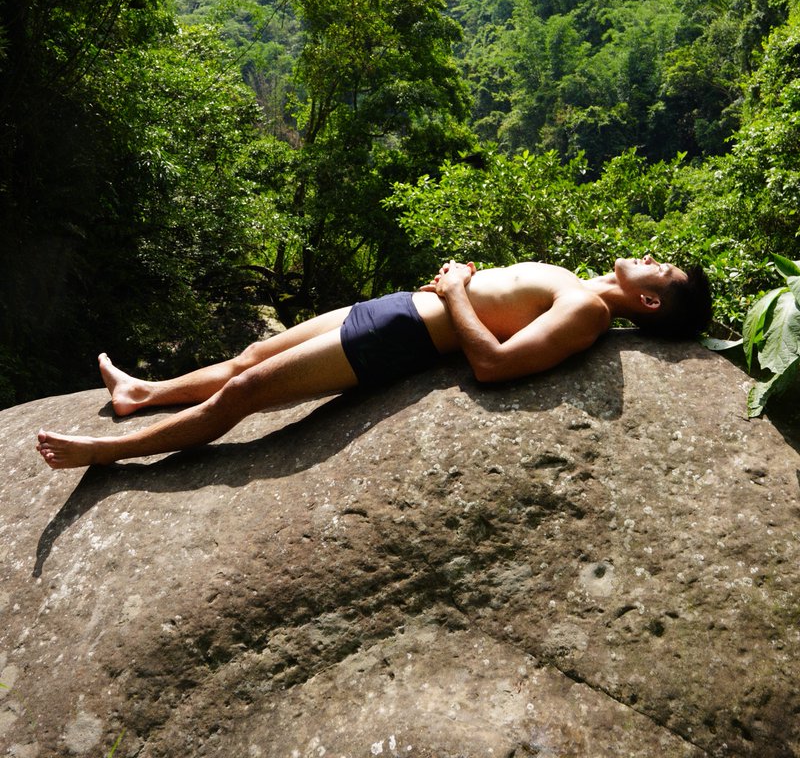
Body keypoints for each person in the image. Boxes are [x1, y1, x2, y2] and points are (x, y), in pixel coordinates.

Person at [36, 255, 711, 470]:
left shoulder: (590, 314)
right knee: (248, 355)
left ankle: (108, 451)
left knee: (244, 392)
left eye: (664, 269)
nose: (652, 256)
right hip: (396, 309)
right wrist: (457, 282)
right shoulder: (580, 284)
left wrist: (453, 290)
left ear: (649, 298)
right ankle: (143, 394)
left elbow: (497, 364)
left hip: (401, 338)